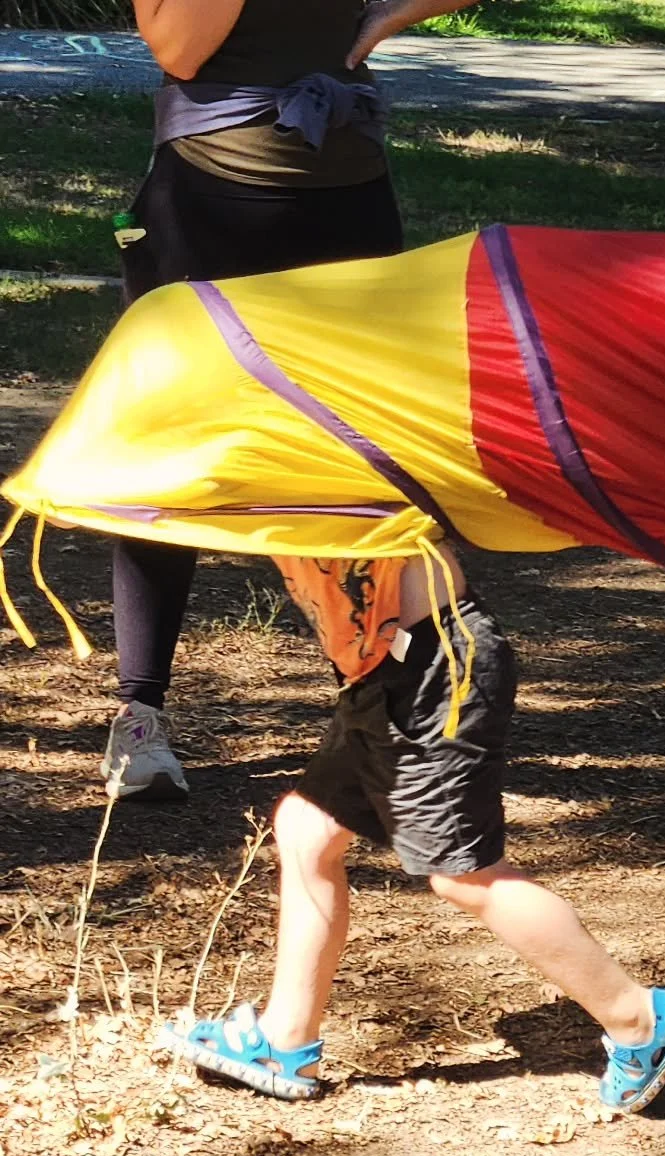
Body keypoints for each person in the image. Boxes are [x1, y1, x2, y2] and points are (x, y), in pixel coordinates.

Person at [158, 547, 665, 1110]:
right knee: (307, 827)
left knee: (464, 875)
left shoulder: (333, 462)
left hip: (437, 668)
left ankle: (639, 1020)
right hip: (383, 669)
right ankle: (284, 1041)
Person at [103, 0, 480, 804]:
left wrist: (382, 18)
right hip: (214, 199)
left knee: (362, 458)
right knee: (175, 452)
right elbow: (180, 49)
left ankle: (378, 704)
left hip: (350, 193)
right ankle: (140, 716)